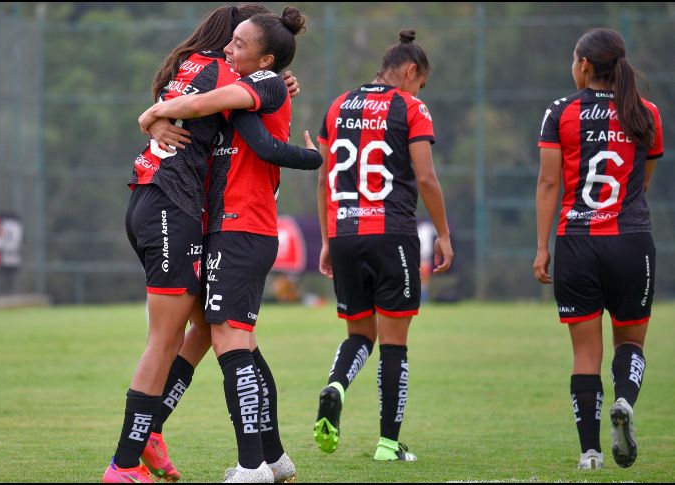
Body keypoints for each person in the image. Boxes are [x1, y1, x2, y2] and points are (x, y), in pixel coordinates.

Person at [104, 5, 316, 484]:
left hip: (170, 204)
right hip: (178, 208)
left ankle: (259, 456)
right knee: (184, 338)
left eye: (241, 44)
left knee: (210, 329)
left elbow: (242, 116)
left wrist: (152, 115)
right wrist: (151, 117)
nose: (230, 48)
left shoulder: (196, 66)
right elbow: (216, 108)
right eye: (233, 40)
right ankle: (127, 459)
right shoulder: (229, 73)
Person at [314, 29, 453, 462]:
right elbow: (425, 177)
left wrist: (327, 239)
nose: (419, 91)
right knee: (394, 343)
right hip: (391, 234)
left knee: (359, 333)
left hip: (343, 233)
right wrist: (444, 233)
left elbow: (324, 180)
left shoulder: (338, 105)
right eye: (420, 83)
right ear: (410, 72)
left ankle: (336, 386)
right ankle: (388, 445)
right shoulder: (411, 107)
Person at [533, 28, 663, 470]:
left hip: (577, 244)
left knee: (585, 354)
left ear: (584, 65)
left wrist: (541, 248)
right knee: (630, 343)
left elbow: (548, 182)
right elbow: (641, 185)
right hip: (631, 242)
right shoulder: (646, 113)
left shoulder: (560, 112)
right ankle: (624, 400)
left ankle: (590, 453)